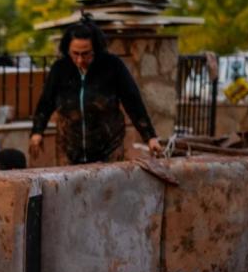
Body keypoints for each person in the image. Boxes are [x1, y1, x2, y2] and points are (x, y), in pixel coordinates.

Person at [29, 17, 162, 165]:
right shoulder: (60, 69)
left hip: (108, 149)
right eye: (75, 53)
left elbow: (133, 101)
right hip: (69, 150)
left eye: (86, 54)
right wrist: (37, 131)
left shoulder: (113, 66)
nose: (80, 60)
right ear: (67, 49)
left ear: (96, 49)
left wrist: (149, 136)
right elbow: (46, 102)